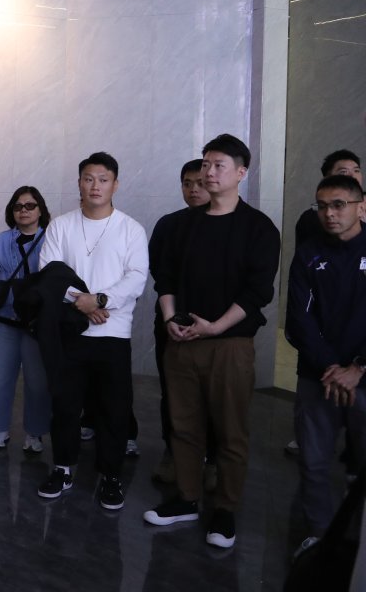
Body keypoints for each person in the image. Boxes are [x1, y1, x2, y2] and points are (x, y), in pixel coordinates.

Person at [144, 134, 281, 550]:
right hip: (182, 340)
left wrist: (217, 327)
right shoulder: (183, 225)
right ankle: (187, 498)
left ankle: (225, 509)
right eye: (205, 164)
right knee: (184, 425)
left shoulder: (258, 228)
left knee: (230, 430)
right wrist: (170, 318)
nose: (208, 172)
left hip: (230, 345)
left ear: (241, 172)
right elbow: (165, 278)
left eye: (219, 165)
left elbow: (258, 292)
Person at [35, 152, 148, 511]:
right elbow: (49, 273)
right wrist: (81, 302)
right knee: (65, 405)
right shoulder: (61, 226)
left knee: (113, 408)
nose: (95, 186)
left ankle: (111, 475)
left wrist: (100, 300)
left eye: (103, 179)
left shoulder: (130, 229)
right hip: (70, 331)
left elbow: (136, 277)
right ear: (79, 183)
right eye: (88, 178)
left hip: (113, 334)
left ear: (115, 184)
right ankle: (63, 468)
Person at [285, 175, 366, 552]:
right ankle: (318, 537)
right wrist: (332, 368)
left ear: (360, 207)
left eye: (338, 205)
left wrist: (358, 367)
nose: (329, 213)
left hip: (363, 377)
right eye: (322, 206)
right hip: (318, 376)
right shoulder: (308, 254)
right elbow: (299, 320)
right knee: (313, 462)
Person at [147, 159, 211, 484]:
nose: (193, 189)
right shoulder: (169, 224)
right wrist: (172, 314)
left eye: (200, 182)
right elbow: (158, 270)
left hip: (214, 327)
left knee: (211, 396)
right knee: (172, 392)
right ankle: (173, 452)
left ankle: (211, 458)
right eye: (187, 183)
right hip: (171, 321)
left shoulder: (228, 224)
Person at [0, 186, 52, 453]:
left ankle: (35, 433)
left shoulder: (51, 239)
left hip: (37, 323)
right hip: (4, 320)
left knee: (37, 381)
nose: (24, 211)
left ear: (40, 210)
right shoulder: (1, 241)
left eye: (30, 205)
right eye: (18, 206)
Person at [295, 149, 363, 248]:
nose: (353, 176)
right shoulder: (311, 218)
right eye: (343, 172)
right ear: (327, 178)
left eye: (356, 171)